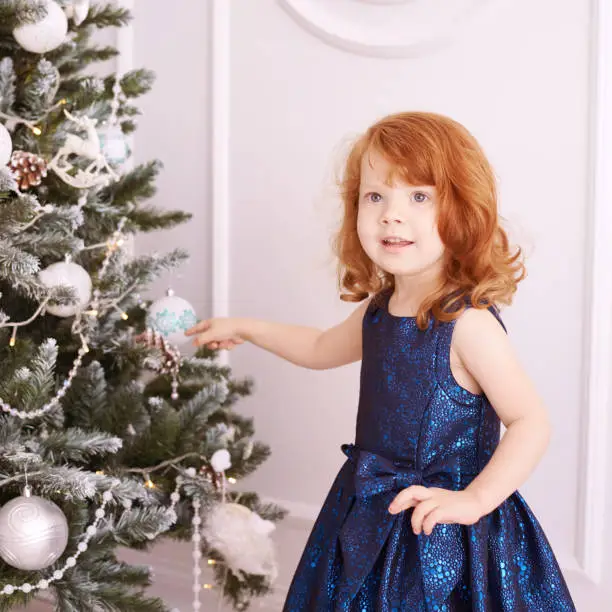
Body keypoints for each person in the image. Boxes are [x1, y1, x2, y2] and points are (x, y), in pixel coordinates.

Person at [185, 112, 576, 611]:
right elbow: (321, 347)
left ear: (461, 211)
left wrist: (473, 501)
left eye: (418, 197)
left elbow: (530, 422)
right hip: (370, 511)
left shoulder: (467, 325)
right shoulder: (380, 310)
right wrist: (246, 327)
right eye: (376, 197)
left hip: (446, 528)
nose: (392, 214)